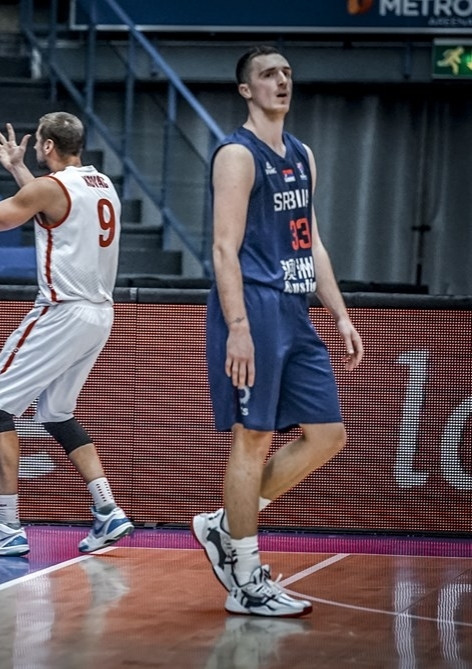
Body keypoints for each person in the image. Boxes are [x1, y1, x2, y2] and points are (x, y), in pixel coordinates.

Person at [192, 46, 364, 618]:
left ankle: (226, 523)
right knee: (253, 438)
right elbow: (223, 247)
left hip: (295, 307)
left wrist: (338, 312)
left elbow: (310, 241)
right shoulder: (236, 156)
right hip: (254, 308)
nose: (282, 81)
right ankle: (245, 577)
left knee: (327, 434)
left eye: (287, 72)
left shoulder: (301, 154)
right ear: (246, 90)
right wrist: (238, 327)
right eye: (268, 74)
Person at [0, 112, 135, 557]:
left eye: (37, 145)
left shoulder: (48, 188)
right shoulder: (102, 185)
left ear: (49, 147)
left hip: (62, 310)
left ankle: (7, 526)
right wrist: (18, 168)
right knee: (56, 412)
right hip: (100, 313)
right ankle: (108, 509)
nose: (34, 151)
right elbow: (53, 204)